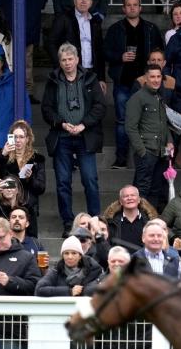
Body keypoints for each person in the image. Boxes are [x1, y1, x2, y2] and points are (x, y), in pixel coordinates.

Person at [41, 42, 105, 233]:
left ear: (77, 59)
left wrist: (84, 124)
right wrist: (61, 123)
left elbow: (100, 106)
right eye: (64, 60)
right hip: (62, 137)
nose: (67, 63)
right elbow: (46, 109)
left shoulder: (91, 78)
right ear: (59, 62)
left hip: (85, 136)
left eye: (70, 59)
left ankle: (95, 221)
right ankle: (68, 222)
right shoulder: (53, 81)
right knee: (62, 182)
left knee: (90, 180)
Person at [104, 0, 162, 169]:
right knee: (122, 121)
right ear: (123, 9)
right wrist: (119, 56)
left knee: (147, 121)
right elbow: (105, 52)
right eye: (128, 5)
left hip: (146, 84)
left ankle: (145, 157)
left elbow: (160, 51)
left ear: (140, 8)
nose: (132, 8)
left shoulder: (151, 28)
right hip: (123, 82)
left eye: (135, 5)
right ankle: (121, 159)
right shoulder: (115, 29)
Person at [126, 65, 174, 210]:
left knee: (156, 189)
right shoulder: (137, 98)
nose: (156, 80)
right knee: (142, 189)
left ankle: (150, 221)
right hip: (147, 151)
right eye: (152, 77)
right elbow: (130, 127)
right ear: (146, 78)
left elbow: (164, 124)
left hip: (161, 152)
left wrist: (170, 141)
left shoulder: (160, 97)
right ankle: (137, 221)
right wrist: (142, 151)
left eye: (158, 76)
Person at [0, 120, 45, 238]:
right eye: (15, 137)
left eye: (21, 137)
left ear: (28, 139)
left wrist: (30, 178)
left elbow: (41, 188)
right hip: (8, 208)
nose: (17, 140)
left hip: (28, 208)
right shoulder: (5, 158)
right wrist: (3, 155)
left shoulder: (37, 159)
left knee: (30, 244)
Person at [46, 0, 106, 86]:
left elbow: (99, 51)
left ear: (91, 3)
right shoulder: (64, 18)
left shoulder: (95, 22)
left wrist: (101, 78)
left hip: (92, 72)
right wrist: (61, 65)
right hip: (71, 71)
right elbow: (50, 43)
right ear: (74, 1)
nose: (83, 1)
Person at [34, 235, 104, 297]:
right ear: (62, 256)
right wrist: (69, 291)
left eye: (74, 253)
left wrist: (84, 290)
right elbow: (40, 289)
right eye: (66, 253)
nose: (70, 257)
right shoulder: (56, 271)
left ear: (80, 256)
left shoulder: (93, 270)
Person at [103, 184, 158, 253]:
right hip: (120, 260)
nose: (129, 198)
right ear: (120, 201)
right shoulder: (111, 222)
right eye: (126, 196)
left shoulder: (151, 221)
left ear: (139, 200)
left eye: (133, 195)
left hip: (144, 261)